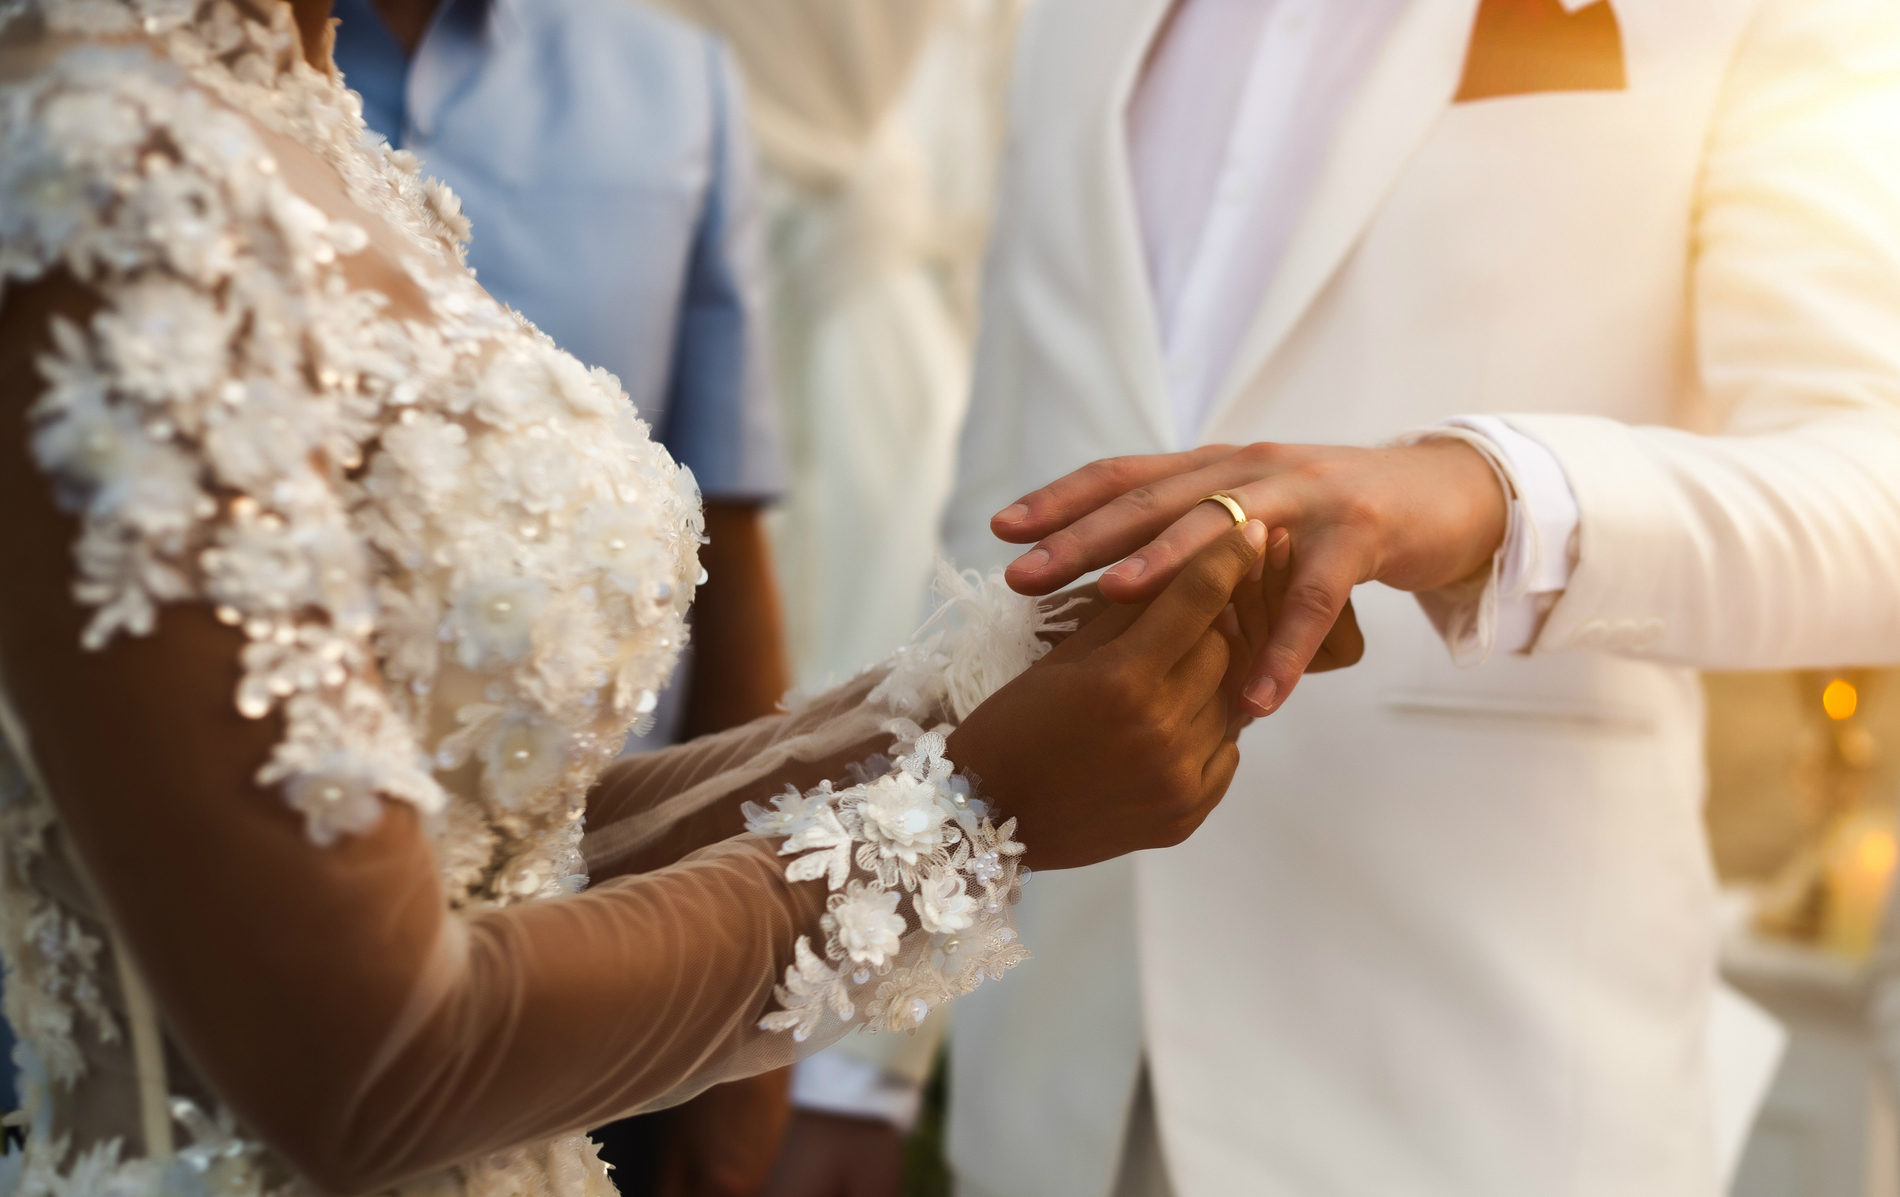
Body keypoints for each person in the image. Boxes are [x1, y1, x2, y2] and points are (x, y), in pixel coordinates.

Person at [0, 1, 1280, 1194]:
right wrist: (968, 812)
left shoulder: (298, 117)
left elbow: (488, 853)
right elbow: (365, 1063)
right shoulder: (112, 166)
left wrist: (978, 702)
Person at [939, 0, 1900, 1195]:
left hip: (1476, 1074)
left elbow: (1878, 482)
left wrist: (1494, 489)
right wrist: (863, 1055)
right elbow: (999, 490)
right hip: (1048, 1063)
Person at [322, 0, 796, 1184]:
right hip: (162, 952)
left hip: (602, 970)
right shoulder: (105, 93)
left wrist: (752, 1065)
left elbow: (725, 555)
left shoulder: (679, 87)